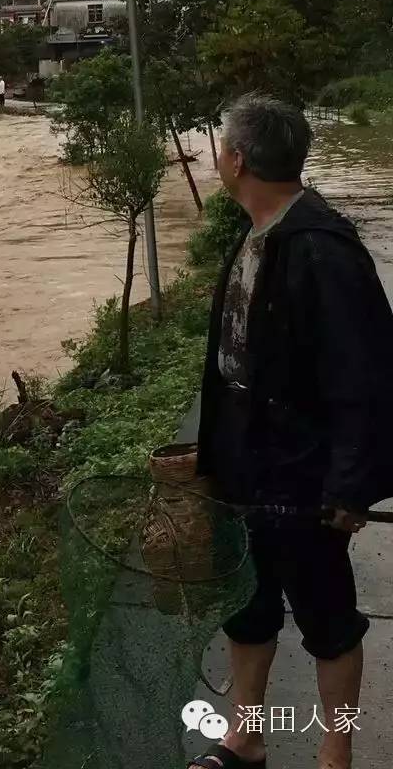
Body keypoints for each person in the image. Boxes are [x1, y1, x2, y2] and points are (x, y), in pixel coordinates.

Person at [190, 94, 393, 769]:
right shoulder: (260, 232)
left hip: (302, 475)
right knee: (246, 607)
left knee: (328, 619)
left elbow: (364, 377)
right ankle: (244, 738)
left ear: (238, 159)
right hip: (246, 467)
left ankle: (336, 756)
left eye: (222, 146)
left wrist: (350, 487)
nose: (219, 155)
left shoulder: (323, 250)